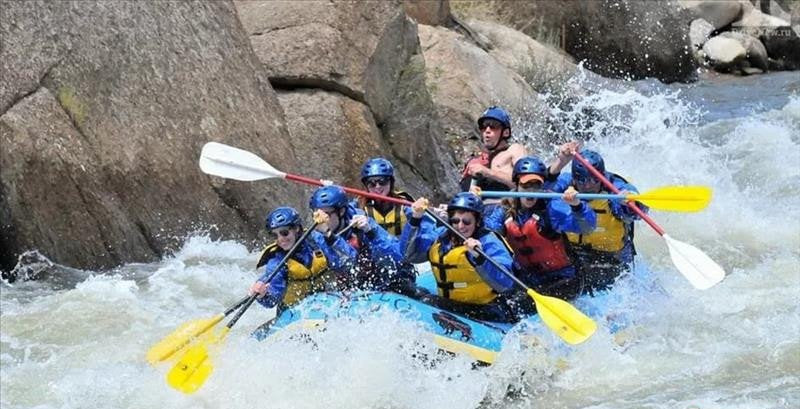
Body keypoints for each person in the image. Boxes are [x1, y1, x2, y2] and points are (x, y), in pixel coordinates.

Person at [484, 156, 596, 317]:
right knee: (505, 302)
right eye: (526, 185)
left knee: (521, 306)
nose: (531, 191)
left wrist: (577, 206)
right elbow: (489, 231)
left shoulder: (552, 208)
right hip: (530, 280)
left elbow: (587, 227)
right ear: (516, 185)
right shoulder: (505, 210)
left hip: (564, 279)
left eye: (536, 185)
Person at [401, 192, 517, 323]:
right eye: (455, 221)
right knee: (413, 292)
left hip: (487, 308)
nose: (460, 226)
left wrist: (479, 258)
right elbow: (407, 255)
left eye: (467, 222)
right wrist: (415, 219)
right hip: (453, 304)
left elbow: (506, 284)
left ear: (477, 222)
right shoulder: (441, 237)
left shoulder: (489, 242)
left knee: (428, 301)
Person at [555, 149, 648, 293]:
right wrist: (559, 163)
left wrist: (631, 202)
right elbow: (543, 188)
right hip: (577, 257)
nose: (588, 186)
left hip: (614, 261)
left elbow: (640, 211)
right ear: (574, 179)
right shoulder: (565, 185)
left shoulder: (614, 189)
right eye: (582, 180)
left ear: (602, 176)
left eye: (594, 180)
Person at [309, 185, 415, 294]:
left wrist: (371, 233)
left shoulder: (363, 224)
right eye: (316, 214)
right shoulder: (318, 236)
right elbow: (343, 265)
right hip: (354, 288)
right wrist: (329, 236)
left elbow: (399, 255)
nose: (320, 221)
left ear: (341, 211)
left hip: (387, 281)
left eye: (326, 214)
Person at [249, 206, 355, 314]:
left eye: (284, 233)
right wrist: (263, 295)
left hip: (328, 301)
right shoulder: (277, 261)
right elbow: (272, 301)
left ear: (296, 228)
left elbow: (349, 259)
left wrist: (328, 233)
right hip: (295, 311)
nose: (280, 239)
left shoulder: (316, 241)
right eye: (274, 235)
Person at [459, 106, 527, 219]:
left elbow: (525, 184)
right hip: (475, 213)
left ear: (505, 132)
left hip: (503, 210)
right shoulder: (477, 159)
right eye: (484, 126)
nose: (487, 130)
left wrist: (487, 172)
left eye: (493, 126)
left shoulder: (514, 149)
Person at [357, 157, 415, 236]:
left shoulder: (405, 201)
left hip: (403, 243)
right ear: (366, 186)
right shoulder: (359, 205)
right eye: (372, 183)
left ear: (391, 182)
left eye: (382, 181)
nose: (377, 187)